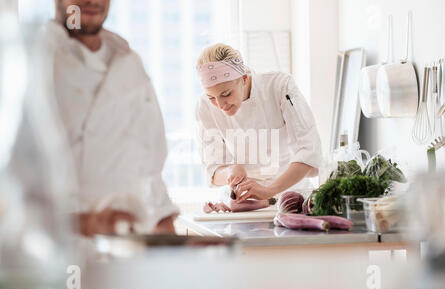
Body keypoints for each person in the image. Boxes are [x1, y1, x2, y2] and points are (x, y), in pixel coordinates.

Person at [45, 0, 178, 236]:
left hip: (126, 245)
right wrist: (82, 224)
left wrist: (164, 222)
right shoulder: (32, 59)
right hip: (54, 249)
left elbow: (150, 161)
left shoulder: (129, 62)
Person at [195, 43, 322, 203]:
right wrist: (229, 171)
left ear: (244, 78)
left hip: (292, 196)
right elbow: (212, 170)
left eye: (226, 94)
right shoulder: (204, 107)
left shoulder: (279, 86)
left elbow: (310, 151)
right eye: (212, 97)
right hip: (244, 201)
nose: (220, 105)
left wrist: (270, 190)